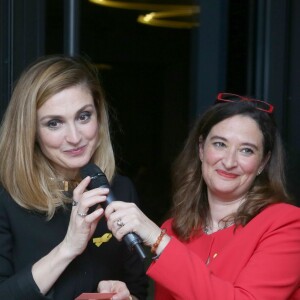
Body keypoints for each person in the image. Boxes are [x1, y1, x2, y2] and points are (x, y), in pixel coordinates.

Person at [104, 92, 300, 299]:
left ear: (263, 163)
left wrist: (159, 240)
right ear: (201, 148)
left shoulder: (286, 224)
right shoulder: (174, 229)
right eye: (219, 144)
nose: (229, 161)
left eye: (246, 150)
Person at [0, 55, 148, 300]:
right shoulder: (6, 197)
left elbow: (139, 290)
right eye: (54, 123)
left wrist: (126, 297)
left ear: (98, 117)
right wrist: (68, 248)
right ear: (31, 132)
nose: (74, 137)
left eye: (83, 116)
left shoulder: (119, 190)